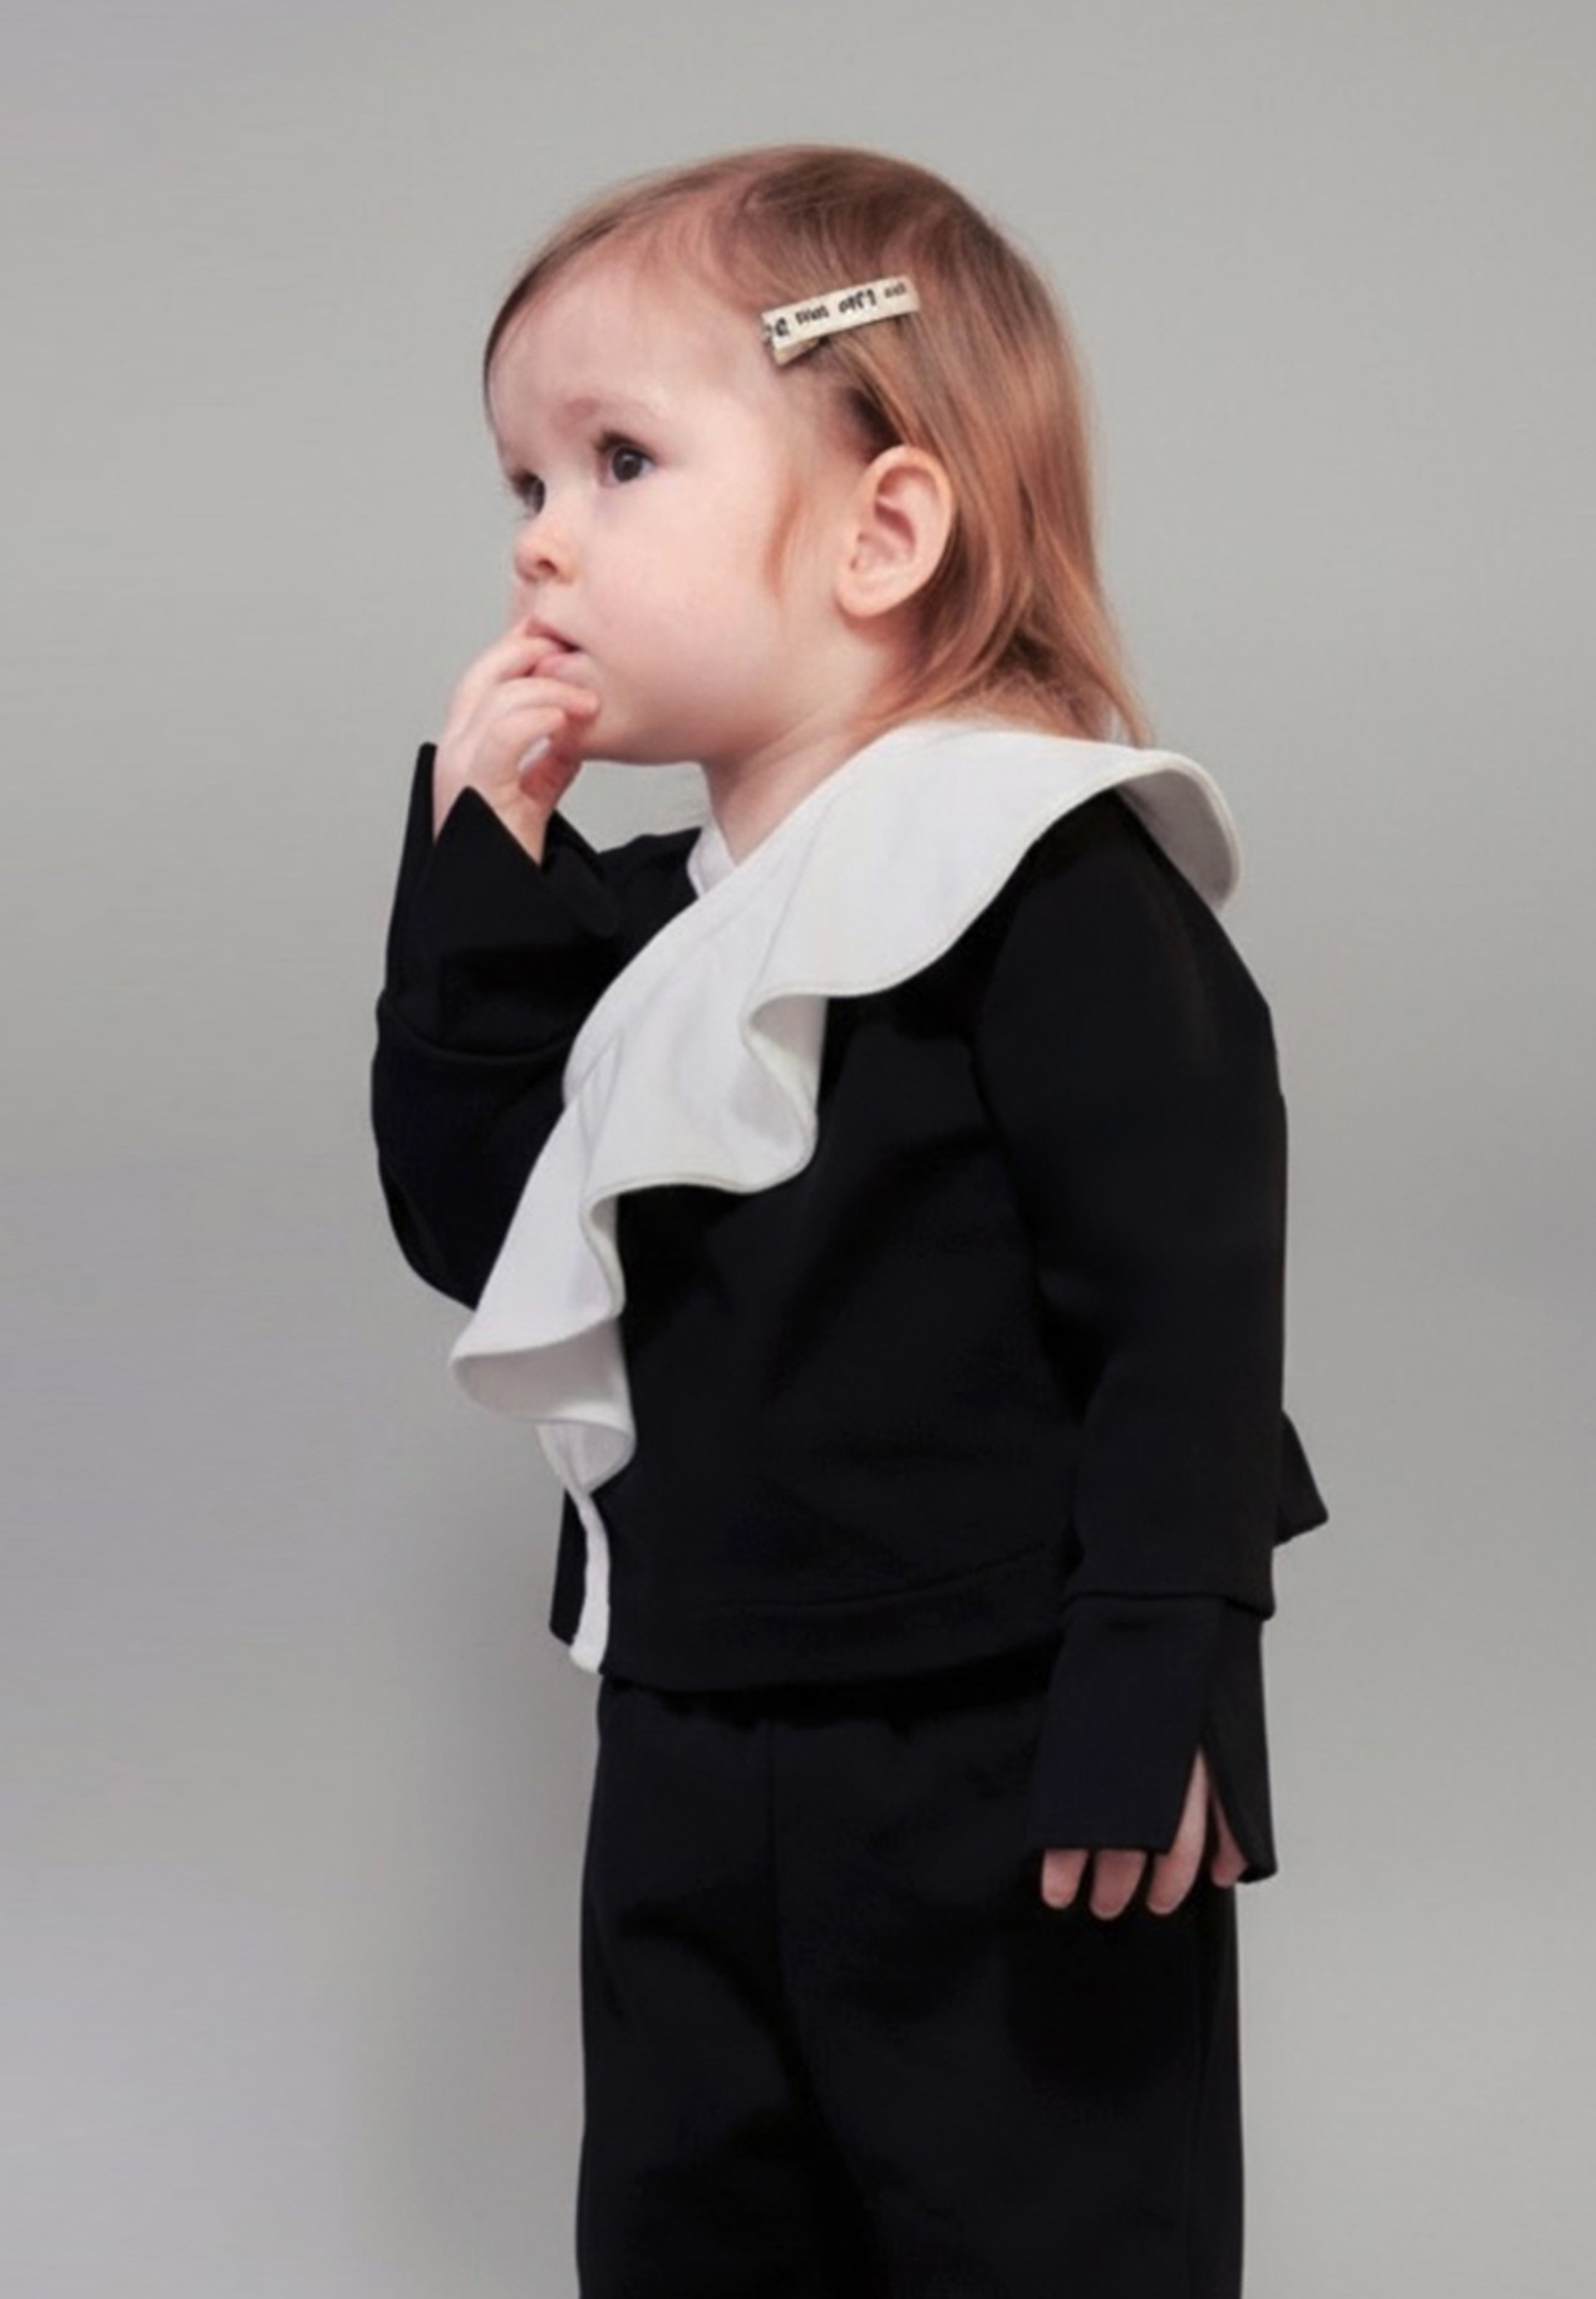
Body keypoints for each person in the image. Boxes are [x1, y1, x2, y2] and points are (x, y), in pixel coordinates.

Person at [371, 141, 1328, 2299]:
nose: (538, 540)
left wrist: (1164, 1664)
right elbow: (476, 1221)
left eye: (619, 462)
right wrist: (472, 872)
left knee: (1046, 2229)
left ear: (887, 530)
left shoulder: (1048, 876)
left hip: (1002, 1733)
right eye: (522, 480)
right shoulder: (648, 929)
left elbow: (1185, 1305)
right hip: (691, 1722)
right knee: (695, 2226)